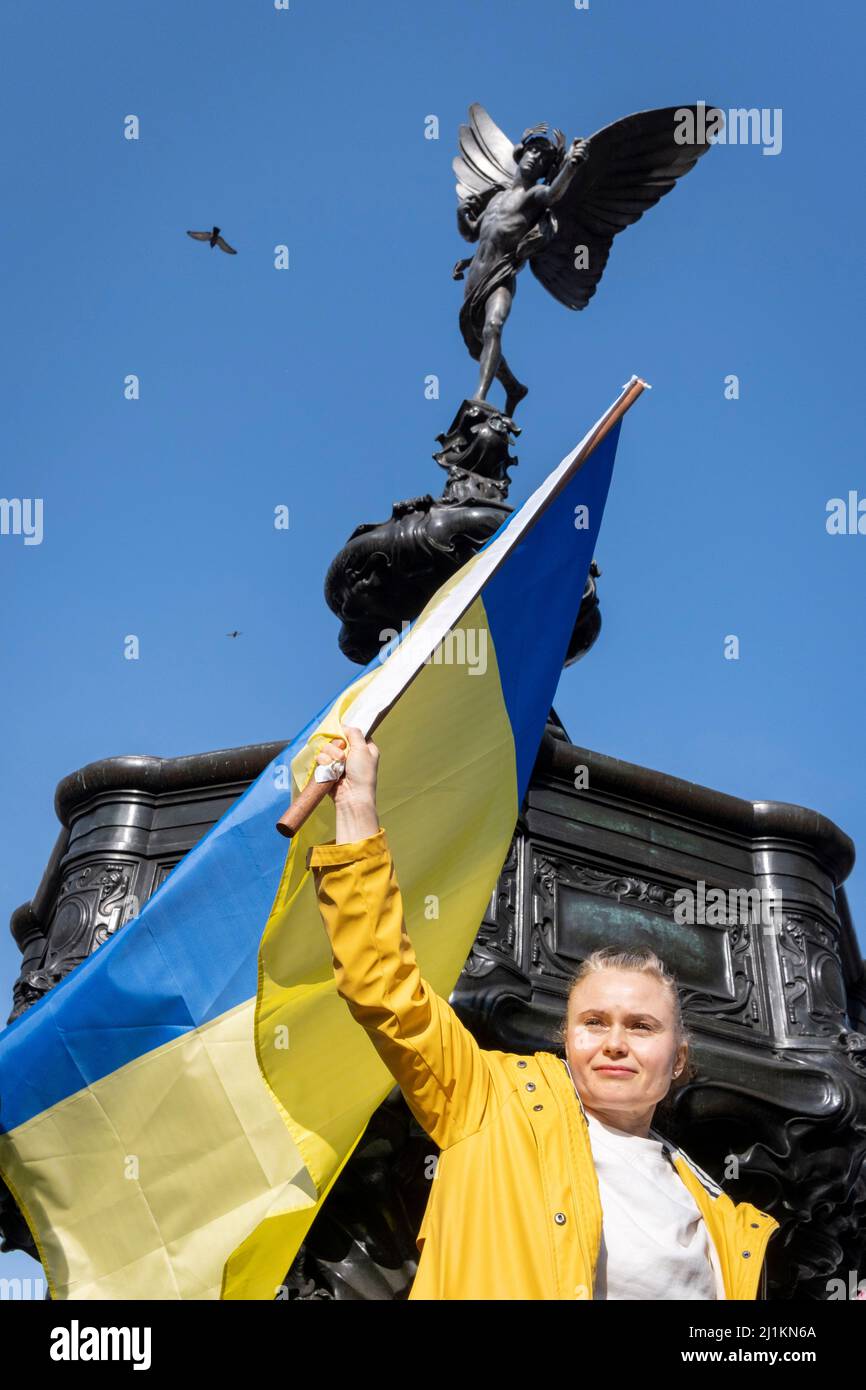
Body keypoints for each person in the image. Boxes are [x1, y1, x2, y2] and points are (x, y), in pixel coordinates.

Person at [304, 726, 780, 1301]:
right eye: (594, 1022)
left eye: (642, 1026)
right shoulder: (488, 1101)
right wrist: (355, 806)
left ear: (679, 1060)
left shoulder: (729, 1223)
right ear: (566, 1039)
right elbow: (382, 985)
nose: (614, 1043)